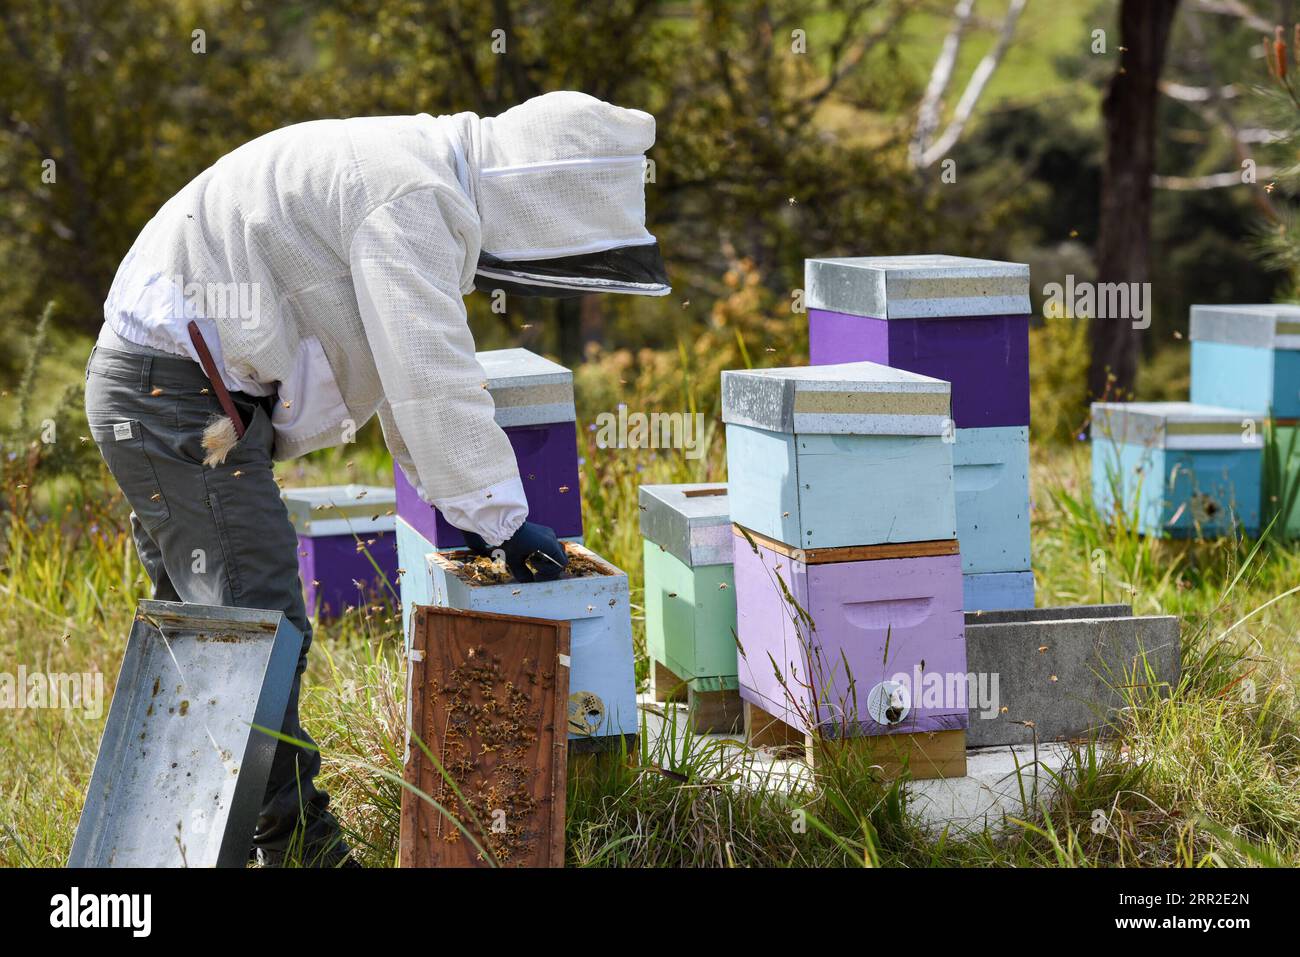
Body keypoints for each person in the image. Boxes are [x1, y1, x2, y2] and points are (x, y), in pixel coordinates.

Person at [84, 91, 670, 867]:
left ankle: (173, 852)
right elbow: (431, 373)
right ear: (544, 200)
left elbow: (403, 370)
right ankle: (300, 850)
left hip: (168, 391)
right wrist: (498, 518)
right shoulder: (413, 194)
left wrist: (470, 503)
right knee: (262, 633)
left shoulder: (415, 170)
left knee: (212, 647)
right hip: (173, 395)